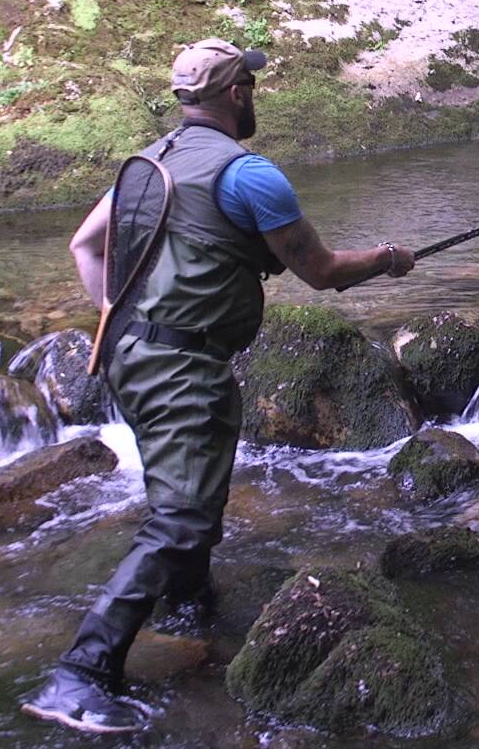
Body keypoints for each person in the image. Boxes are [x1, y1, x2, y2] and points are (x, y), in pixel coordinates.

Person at [21, 38, 417, 734]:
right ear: (237, 94)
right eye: (252, 87)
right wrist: (387, 259)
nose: (255, 97)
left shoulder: (151, 162)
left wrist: (124, 318)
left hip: (126, 355)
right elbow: (321, 271)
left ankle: (186, 606)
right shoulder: (249, 175)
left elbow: (85, 246)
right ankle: (78, 675)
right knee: (183, 517)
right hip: (182, 366)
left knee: (182, 490)